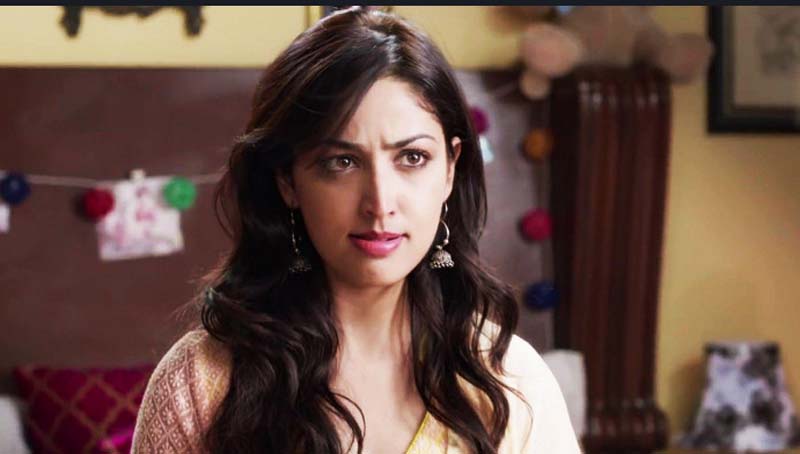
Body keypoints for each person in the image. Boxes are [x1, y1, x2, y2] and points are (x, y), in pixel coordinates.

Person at [131, 6, 581, 454]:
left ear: (450, 169)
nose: (380, 203)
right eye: (342, 162)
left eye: (412, 158)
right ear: (288, 181)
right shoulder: (202, 383)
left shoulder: (511, 382)